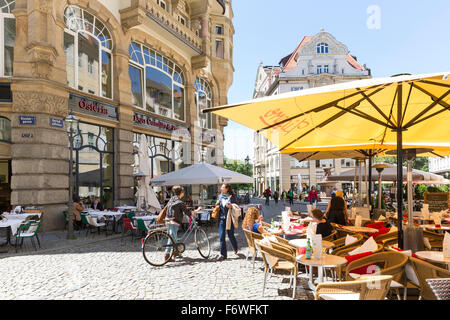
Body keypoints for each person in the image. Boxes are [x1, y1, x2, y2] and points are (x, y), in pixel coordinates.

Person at [165, 186, 202, 262]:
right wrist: (197, 210)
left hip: (167, 220)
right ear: (181, 193)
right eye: (183, 192)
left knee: (174, 237)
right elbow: (188, 213)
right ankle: (167, 255)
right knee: (171, 238)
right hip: (174, 222)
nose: (183, 194)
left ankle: (176, 252)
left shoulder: (172, 199)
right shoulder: (180, 202)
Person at [215, 183, 239, 261]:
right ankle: (223, 255)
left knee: (230, 235)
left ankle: (235, 247)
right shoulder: (220, 196)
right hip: (222, 219)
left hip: (229, 219)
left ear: (227, 189)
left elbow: (237, 206)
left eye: (222, 187)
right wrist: (217, 204)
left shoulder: (232, 197)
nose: (221, 188)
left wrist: (231, 206)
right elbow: (218, 206)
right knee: (221, 236)